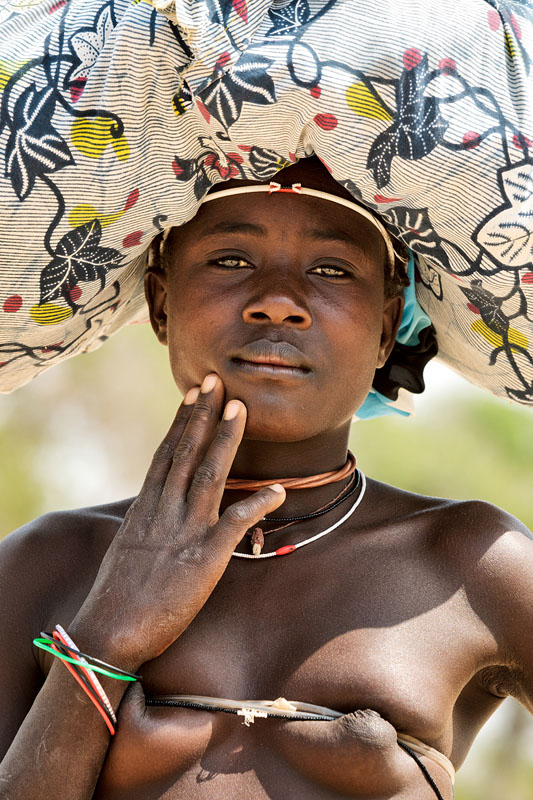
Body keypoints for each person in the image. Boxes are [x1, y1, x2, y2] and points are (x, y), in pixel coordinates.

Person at [0, 156, 532, 800]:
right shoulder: (44, 561)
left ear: (388, 328)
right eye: (231, 260)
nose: (278, 301)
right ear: (161, 302)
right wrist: (110, 632)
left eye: (332, 270)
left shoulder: (472, 562)